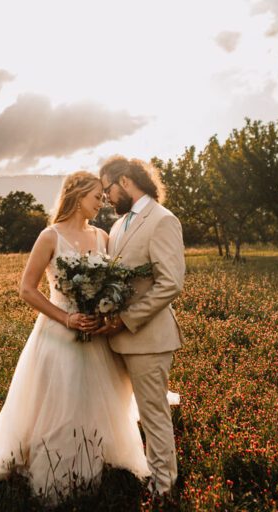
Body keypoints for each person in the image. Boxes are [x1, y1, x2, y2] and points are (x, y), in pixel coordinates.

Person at [0, 171, 150, 503]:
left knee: (96, 397)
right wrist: (66, 317)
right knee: (60, 398)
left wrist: (103, 312)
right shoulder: (50, 236)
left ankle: (97, 456)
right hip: (57, 332)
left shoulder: (102, 237)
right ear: (78, 196)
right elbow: (26, 289)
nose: (101, 202)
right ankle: (57, 464)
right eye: (96, 196)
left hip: (93, 333)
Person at [95, 156, 186, 498]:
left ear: (126, 181)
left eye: (108, 189)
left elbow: (170, 283)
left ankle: (163, 488)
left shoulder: (162, 221)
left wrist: (125, 319)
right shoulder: (118, 227)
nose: (105, 198)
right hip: (116, 340)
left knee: (153, 414)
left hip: (148, 338)